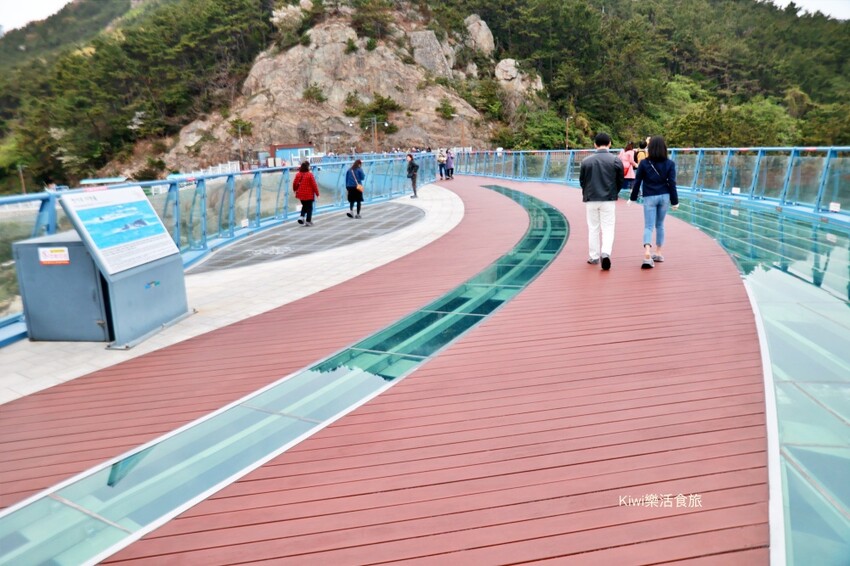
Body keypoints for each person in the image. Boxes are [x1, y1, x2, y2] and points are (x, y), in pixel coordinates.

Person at [630, 135, 679, 268]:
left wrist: (632, 198)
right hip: (664, 196)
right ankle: (658, 252)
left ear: (650, 148)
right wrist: (675, 201)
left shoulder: (644, 163)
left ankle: (647, 252)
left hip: (649, 196)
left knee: (648, 226)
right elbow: (672, 183)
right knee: (660, 225)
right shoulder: (670, 164)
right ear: (664, 148)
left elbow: (638, 182)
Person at [579, 133, 624, 271]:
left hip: (591, 198)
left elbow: (582, 181)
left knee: (593, 228)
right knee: (608, 228)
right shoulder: (616, 160)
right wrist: (614, 192)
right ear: (610, 143)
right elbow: (620, 181)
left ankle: (593, 256)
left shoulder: (586, 161)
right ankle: (606, 253)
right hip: (608, 199)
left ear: (595, 144)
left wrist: (587, 192)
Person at [293, 161, 319, 226]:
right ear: (307, 167)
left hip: (301, 194)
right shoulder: (309, 174)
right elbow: (314, 185)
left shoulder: (298, 174)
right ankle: (308, 221)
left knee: (304, 205)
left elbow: (294, 183)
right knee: (309, 207)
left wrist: (295, 189)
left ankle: (301, 217)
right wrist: (317, 193)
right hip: (309, 194)